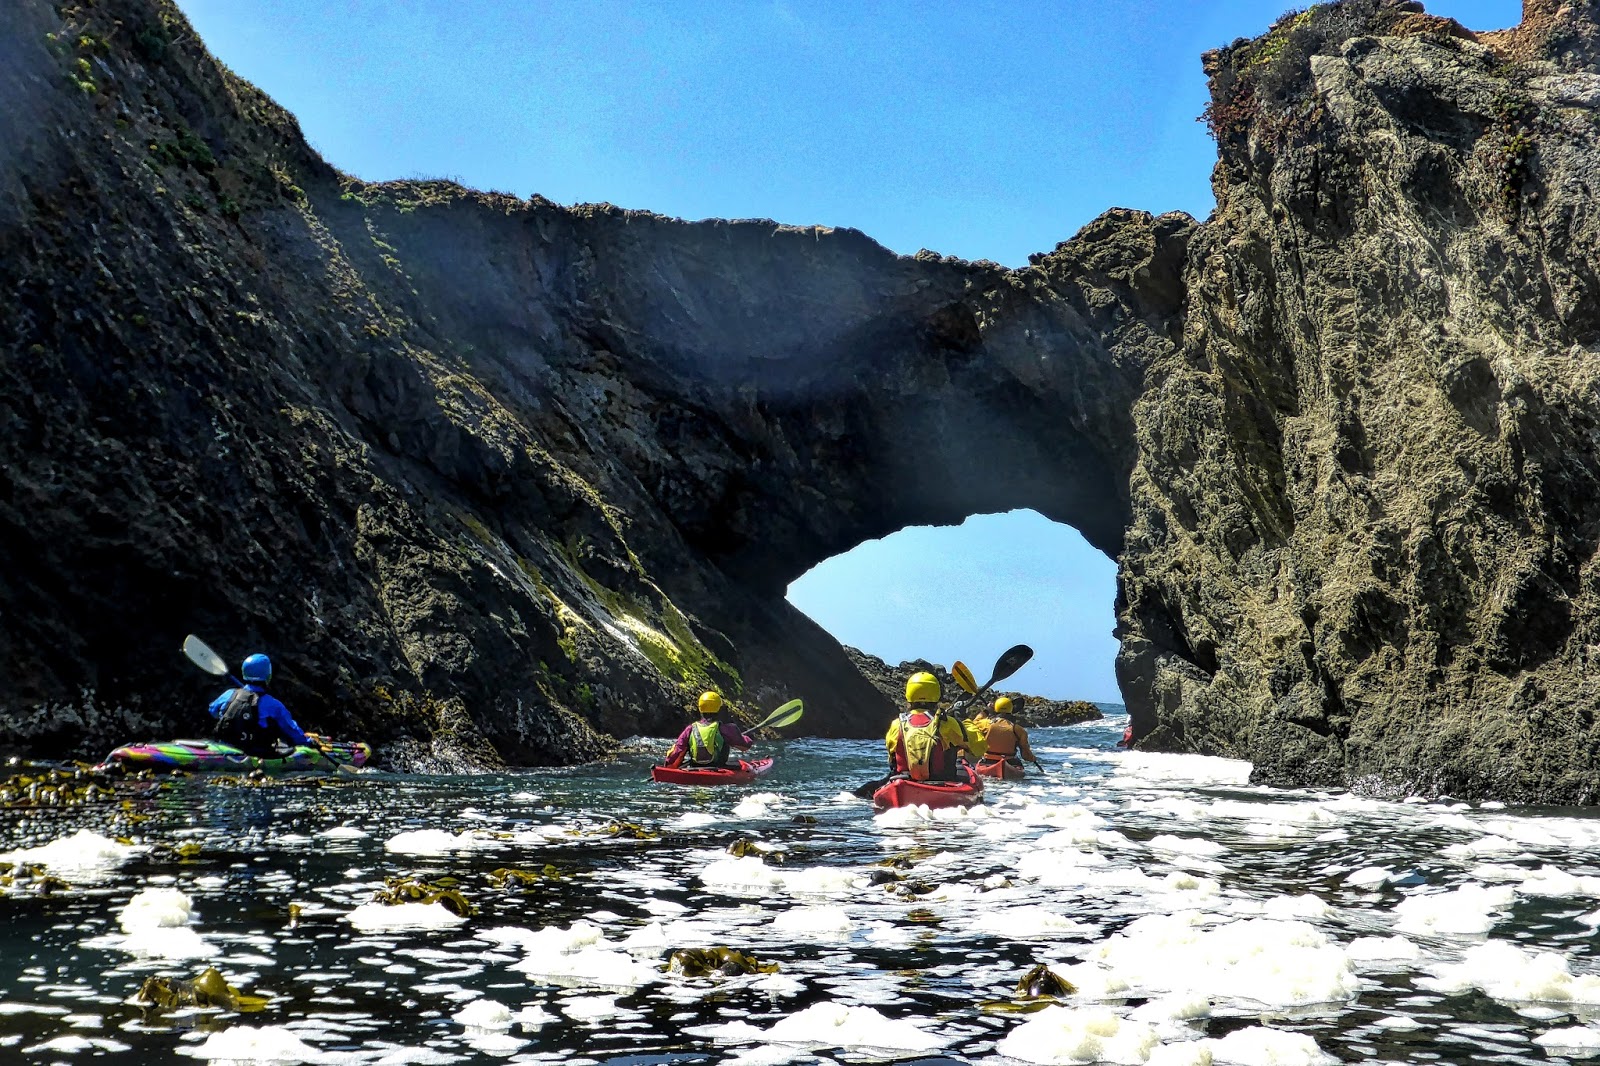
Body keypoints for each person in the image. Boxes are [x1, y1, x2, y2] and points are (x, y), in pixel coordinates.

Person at [884, 671, 985, 781]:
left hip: (904, 780)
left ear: (909, 694)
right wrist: (963, 718)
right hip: (941, 782)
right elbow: (979, 748)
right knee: (963, 768)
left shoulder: (897, 724)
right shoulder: (947, 723)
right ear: (937, 694)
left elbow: (892, 758)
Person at [207, 654, 313, 756]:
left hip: (225, 746)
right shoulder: (273, 704)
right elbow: (290, 729)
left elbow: (212, 711)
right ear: (268, 675)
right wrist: (308, 741)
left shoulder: (229, 694)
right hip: (256, 752)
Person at [665, 691, 754, 768]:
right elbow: (745, 746)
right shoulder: (726, 729)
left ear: (700, 708)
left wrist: (669, 766)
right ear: (719, 709)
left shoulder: (690, 729)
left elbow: (677, 751)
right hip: (719, 769)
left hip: (695, 768)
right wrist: (744, 737)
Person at [973, 695, 1036, 769]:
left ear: (995, 709)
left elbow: (974, 722)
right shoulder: (1019, 730)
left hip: (988, 761)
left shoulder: (985, 724)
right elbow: (1026, 756)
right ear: (1010, 710)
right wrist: (1033, 758)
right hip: (1009, 762)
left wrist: (986, 710)